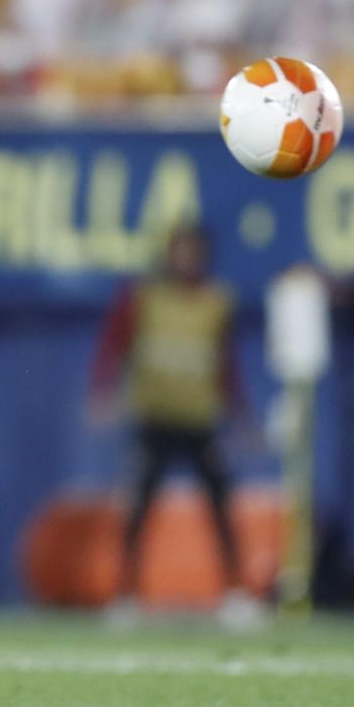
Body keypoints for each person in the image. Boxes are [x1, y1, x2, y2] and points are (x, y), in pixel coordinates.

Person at [89, 223, 246, 615]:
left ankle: (235, 594)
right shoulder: (145, 297)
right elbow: (115, 344)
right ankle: (126, 593)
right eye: (180, 250)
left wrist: (242, 418)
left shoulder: (216, 302)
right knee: (139, 507)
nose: (186, 259)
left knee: (221, 506)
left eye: (193, 251)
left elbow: (226, 367)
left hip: (199, 420)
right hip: (154, 419)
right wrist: (103, 391)